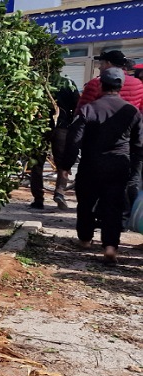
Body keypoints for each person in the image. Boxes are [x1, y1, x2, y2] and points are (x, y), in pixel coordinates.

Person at [61, 67, 143, 264]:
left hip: (91, 165)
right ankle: (110, 246)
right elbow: (139, 145)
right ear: (121, 86)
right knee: (113, 205)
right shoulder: (132, 111)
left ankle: (85, 240)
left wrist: (66, 166)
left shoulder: (89, 109)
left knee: (86, 203)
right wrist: (135, 172)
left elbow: (74, 140)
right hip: (118, 165)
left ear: (100, 85)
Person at [30, 72, 79, 210]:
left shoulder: (37, 83)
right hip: (62, 127)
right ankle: (60, 192)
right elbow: (77, 105)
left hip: (41, 127)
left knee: (37, 163)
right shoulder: (68, 83)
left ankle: (38, 199)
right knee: (63, 163)